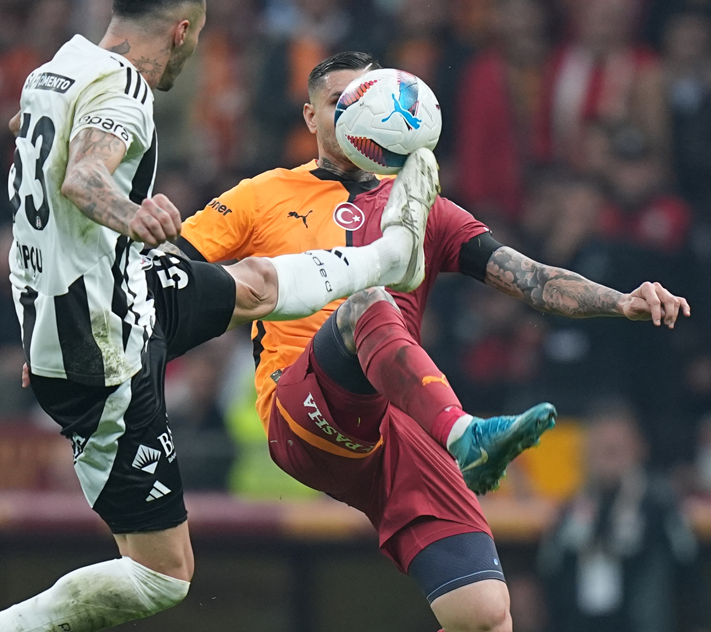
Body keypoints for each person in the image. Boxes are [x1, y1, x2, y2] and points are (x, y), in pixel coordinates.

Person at [0, 0, 437, 632]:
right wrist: (133, 214)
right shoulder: (124, 90)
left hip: (109, 297)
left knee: (249, 286)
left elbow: (36, 140)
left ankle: (391, 256)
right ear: (184, 32)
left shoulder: (55, 71)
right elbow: (84, 176)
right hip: (104, 354)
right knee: (161, 576)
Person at [176, 51, 692, 632]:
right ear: (311, 118)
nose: (358, 117)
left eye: (369, 100)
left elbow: (532, 279)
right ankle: (466, 435)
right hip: (306, 412)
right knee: (368, 301)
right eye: (341, 105)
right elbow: (171, 273)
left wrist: (620, 300)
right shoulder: (261, 195)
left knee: (486, 615)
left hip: (397, 428)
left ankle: (459, 437)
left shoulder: (422, 209)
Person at [539, 403, 709, 632]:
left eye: (616, 450)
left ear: (639, 449)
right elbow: (548, 566)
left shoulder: (658, 505)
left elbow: (688, 569)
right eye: (601, 450)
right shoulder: (572, 507)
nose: (608, 460)